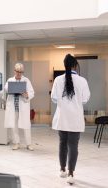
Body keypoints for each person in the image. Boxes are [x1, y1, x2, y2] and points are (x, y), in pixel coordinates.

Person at [51, 54, 90, 185]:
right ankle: (71, 174)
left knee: (62, 143)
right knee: (73, 145)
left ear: (65, 65)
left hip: (62, 118)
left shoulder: (57, 79)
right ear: (75, 65)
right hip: (75, 119)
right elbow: (85, 99)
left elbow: (54, 98)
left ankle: (62, 169)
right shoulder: (82, 80)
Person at [4, 63, 35, 151]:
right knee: (14, 126)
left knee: (26, 125)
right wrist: (11, 88)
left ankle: (28, 144)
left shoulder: (26, 80)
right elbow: (6, 88)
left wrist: (26, 94)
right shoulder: (10, 80)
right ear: (14, 71)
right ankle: (16, 143)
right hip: (13, 107)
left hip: (23, 106)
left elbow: (32, 92)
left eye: (21, 72)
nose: (19, 73)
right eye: (17, 71)